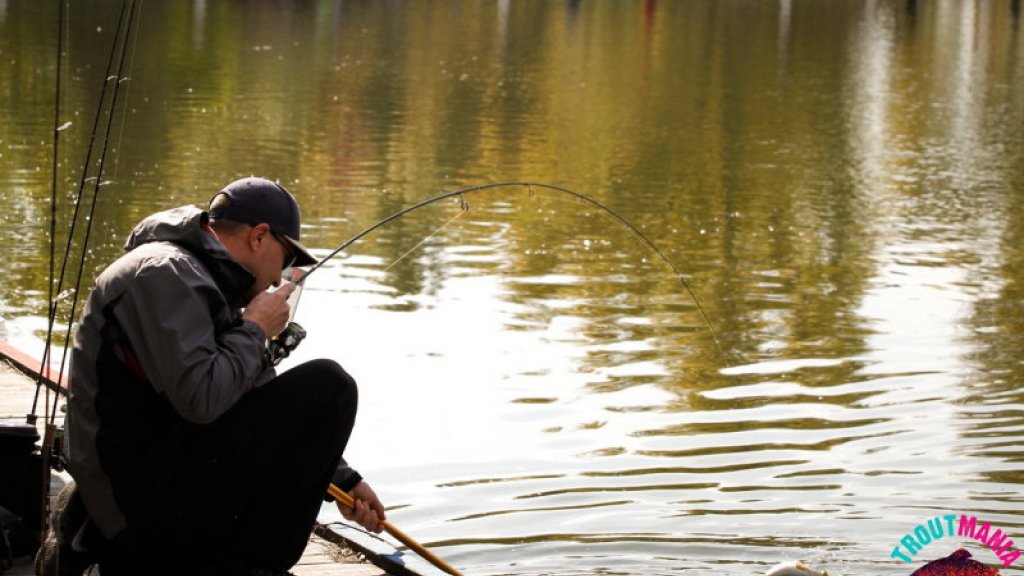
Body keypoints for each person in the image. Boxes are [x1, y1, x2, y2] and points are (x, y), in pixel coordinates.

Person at [64, 177, 385, 576]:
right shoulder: (163, 274)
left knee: (320, 394)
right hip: (132, 510)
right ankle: (246, 567)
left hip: (160, 480)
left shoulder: (209, 280)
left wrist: (345, 480)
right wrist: (254, 329)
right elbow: (202, 400)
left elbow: (259, 402)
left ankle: (238, 561)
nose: (278, 279)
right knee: (330, 386)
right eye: (284, 261)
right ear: (260, 237)